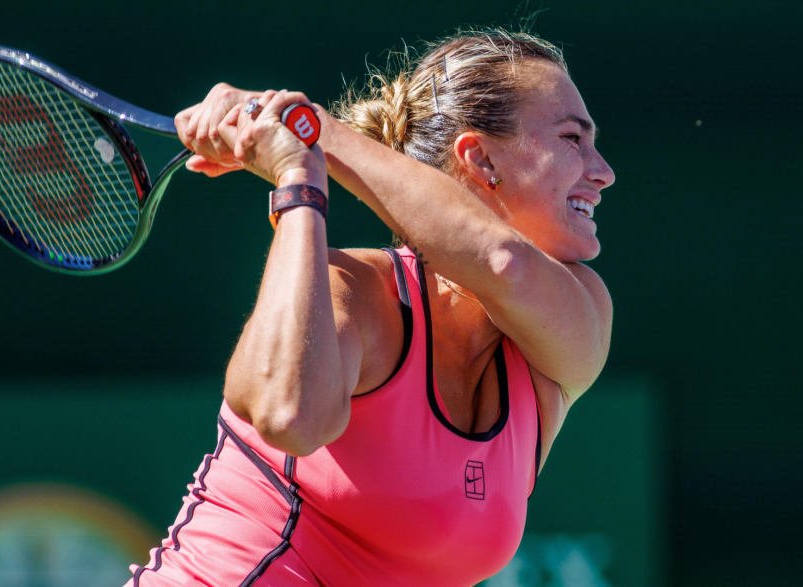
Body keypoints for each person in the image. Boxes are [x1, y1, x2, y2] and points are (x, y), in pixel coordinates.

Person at [125, 28, 615, 587]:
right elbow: (289, 415)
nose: (604, 171)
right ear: (480, 159)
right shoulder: (348, 290)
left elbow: (504, 262)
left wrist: (310, 128)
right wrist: (298, 183)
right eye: (573, 140)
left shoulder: (576, 322)